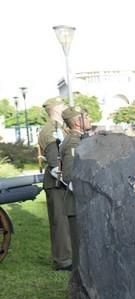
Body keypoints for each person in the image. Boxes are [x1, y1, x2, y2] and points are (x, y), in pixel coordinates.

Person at [38, 97, 72, 271]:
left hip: (61, 181)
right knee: (60, 222)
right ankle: (63, 260)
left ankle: (67, 256)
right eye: (63, 105)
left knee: (66, 221)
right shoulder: (51, 129)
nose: (66, 107)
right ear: (57, 108)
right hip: (57, 181)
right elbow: (53, 160)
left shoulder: (60, 128)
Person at [59, 106, 92, 270]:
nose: (90, 119)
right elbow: (70, 177)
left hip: (81, 204)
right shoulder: (73, 142)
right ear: (77, 122)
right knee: (81, 252)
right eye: (86, 116)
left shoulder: (78, 139)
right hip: (78, 204)